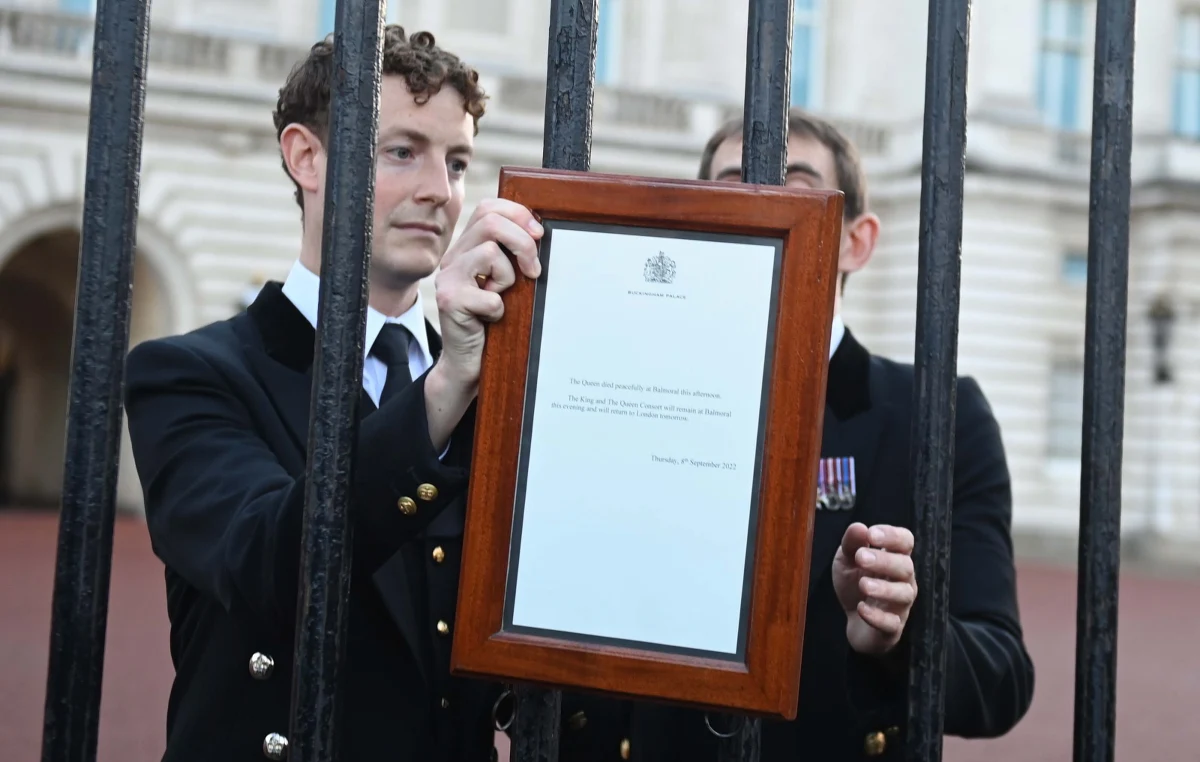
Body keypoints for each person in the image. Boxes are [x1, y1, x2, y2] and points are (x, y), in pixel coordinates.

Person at [554, 109, 1036, 760]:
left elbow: (1002, 679)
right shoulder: (616, 389)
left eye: (796, 183)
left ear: (856, 242)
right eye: (733, 185)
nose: (762, 204)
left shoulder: (939, 415)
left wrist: (900, 630)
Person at [123, 26, 544, 762]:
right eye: (401, 151)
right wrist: (444, 389)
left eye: (458, 161)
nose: (438, 191)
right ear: (306, 157)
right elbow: (267, 564)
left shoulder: (496, 380)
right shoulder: (189, 374)